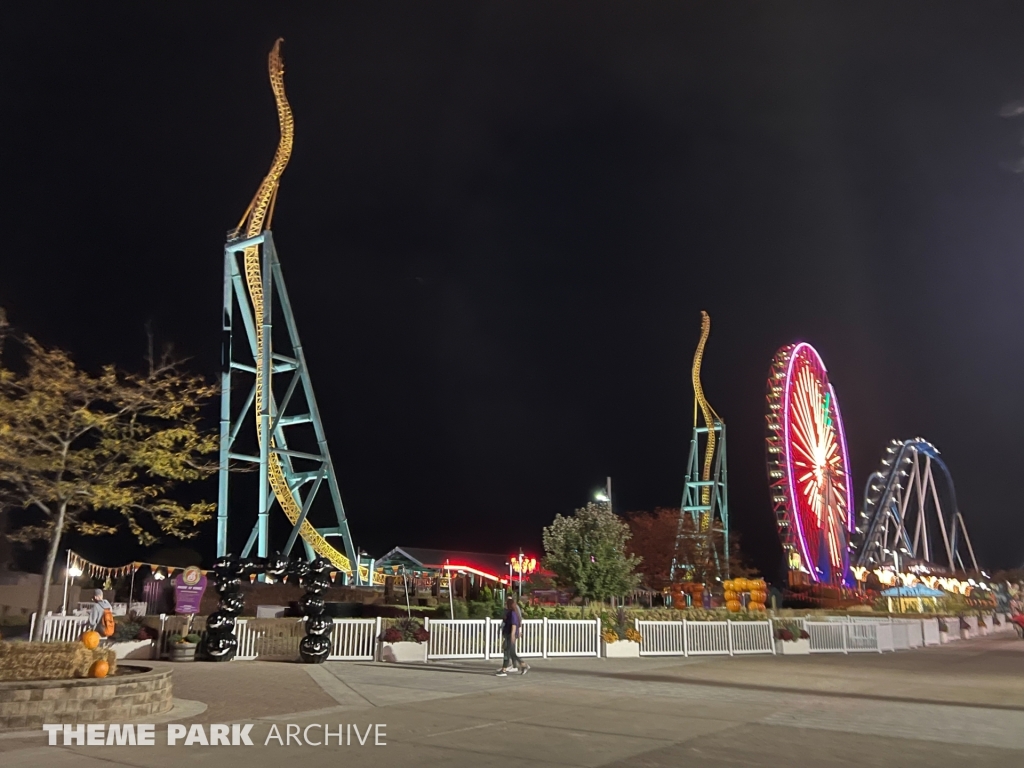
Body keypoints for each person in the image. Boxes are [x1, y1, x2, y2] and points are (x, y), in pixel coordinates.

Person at [496, 596, 530, 676]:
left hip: (510, 635)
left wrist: (512, 636)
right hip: (508, 634)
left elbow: (514, 625)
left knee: (509, 652)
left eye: (506, 603)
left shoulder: (513, 613)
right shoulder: (509, 612)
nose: (505, 604)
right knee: (510, 652)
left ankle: (507, 669)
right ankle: (522, 665)